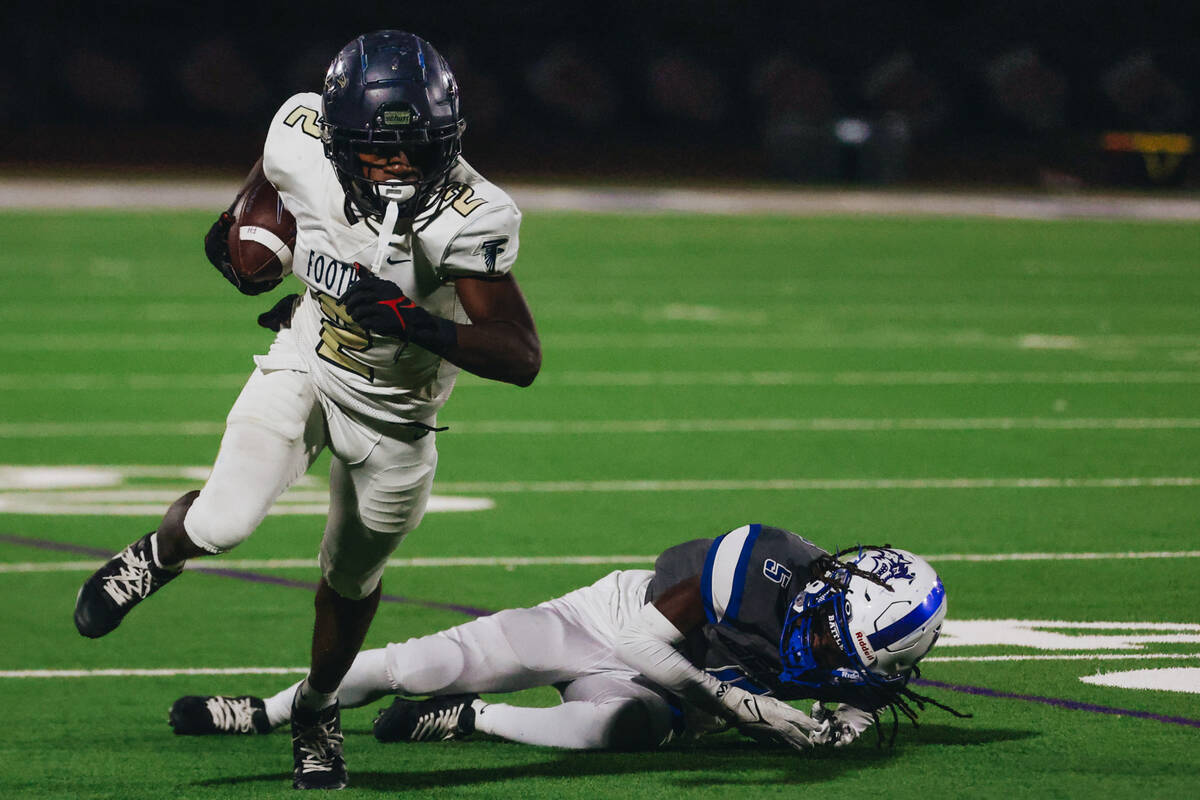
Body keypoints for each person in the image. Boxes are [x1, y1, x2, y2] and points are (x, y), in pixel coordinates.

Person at [72, 30, 541, 790]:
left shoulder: (470, 213)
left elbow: (520, 354)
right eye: (381, 150)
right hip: (306, 362)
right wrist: (242, 230)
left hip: (397, 415)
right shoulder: (302, 132)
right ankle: (156, 556)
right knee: (221, 522)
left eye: (419, 148)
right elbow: (270, 178)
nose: (401, 166)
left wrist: (412, 321)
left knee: (350, 580)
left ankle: (317, 712)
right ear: (340, 137)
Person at [168, 525, 960, 752]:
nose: (819, 653)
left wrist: (833, 733)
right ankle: (269, 712)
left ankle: (473, 719)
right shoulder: (762, 561)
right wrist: (758, 713)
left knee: (618, 729)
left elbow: (851, 720)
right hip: (607, 622)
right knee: (427, 662)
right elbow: (650, 646)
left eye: (838, 657)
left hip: (653, 698)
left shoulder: (861, 664)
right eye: (825, 632)